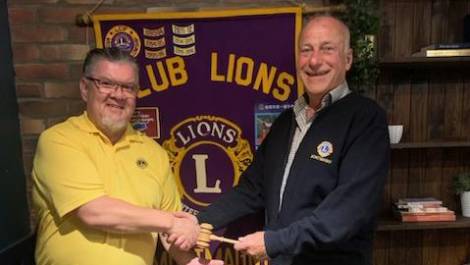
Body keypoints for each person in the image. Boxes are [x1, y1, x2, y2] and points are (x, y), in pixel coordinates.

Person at [191, 14, 390, 265]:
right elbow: (252, 190)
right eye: (306, 50)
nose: (314, 60)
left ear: (348, 59)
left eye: (327, 49)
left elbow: (347, 214)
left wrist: (274, 242)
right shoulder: (286, 122)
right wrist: (197, 222)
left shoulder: (365, 119)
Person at [31, 47, 219, 265]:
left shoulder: (153, 152)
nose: (118, 95)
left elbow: (169, 233)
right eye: (107, 83)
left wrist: (193, 263)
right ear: (85, 88)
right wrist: (171, 222)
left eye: (128, 87)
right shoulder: (59, 140)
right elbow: (94, 212)